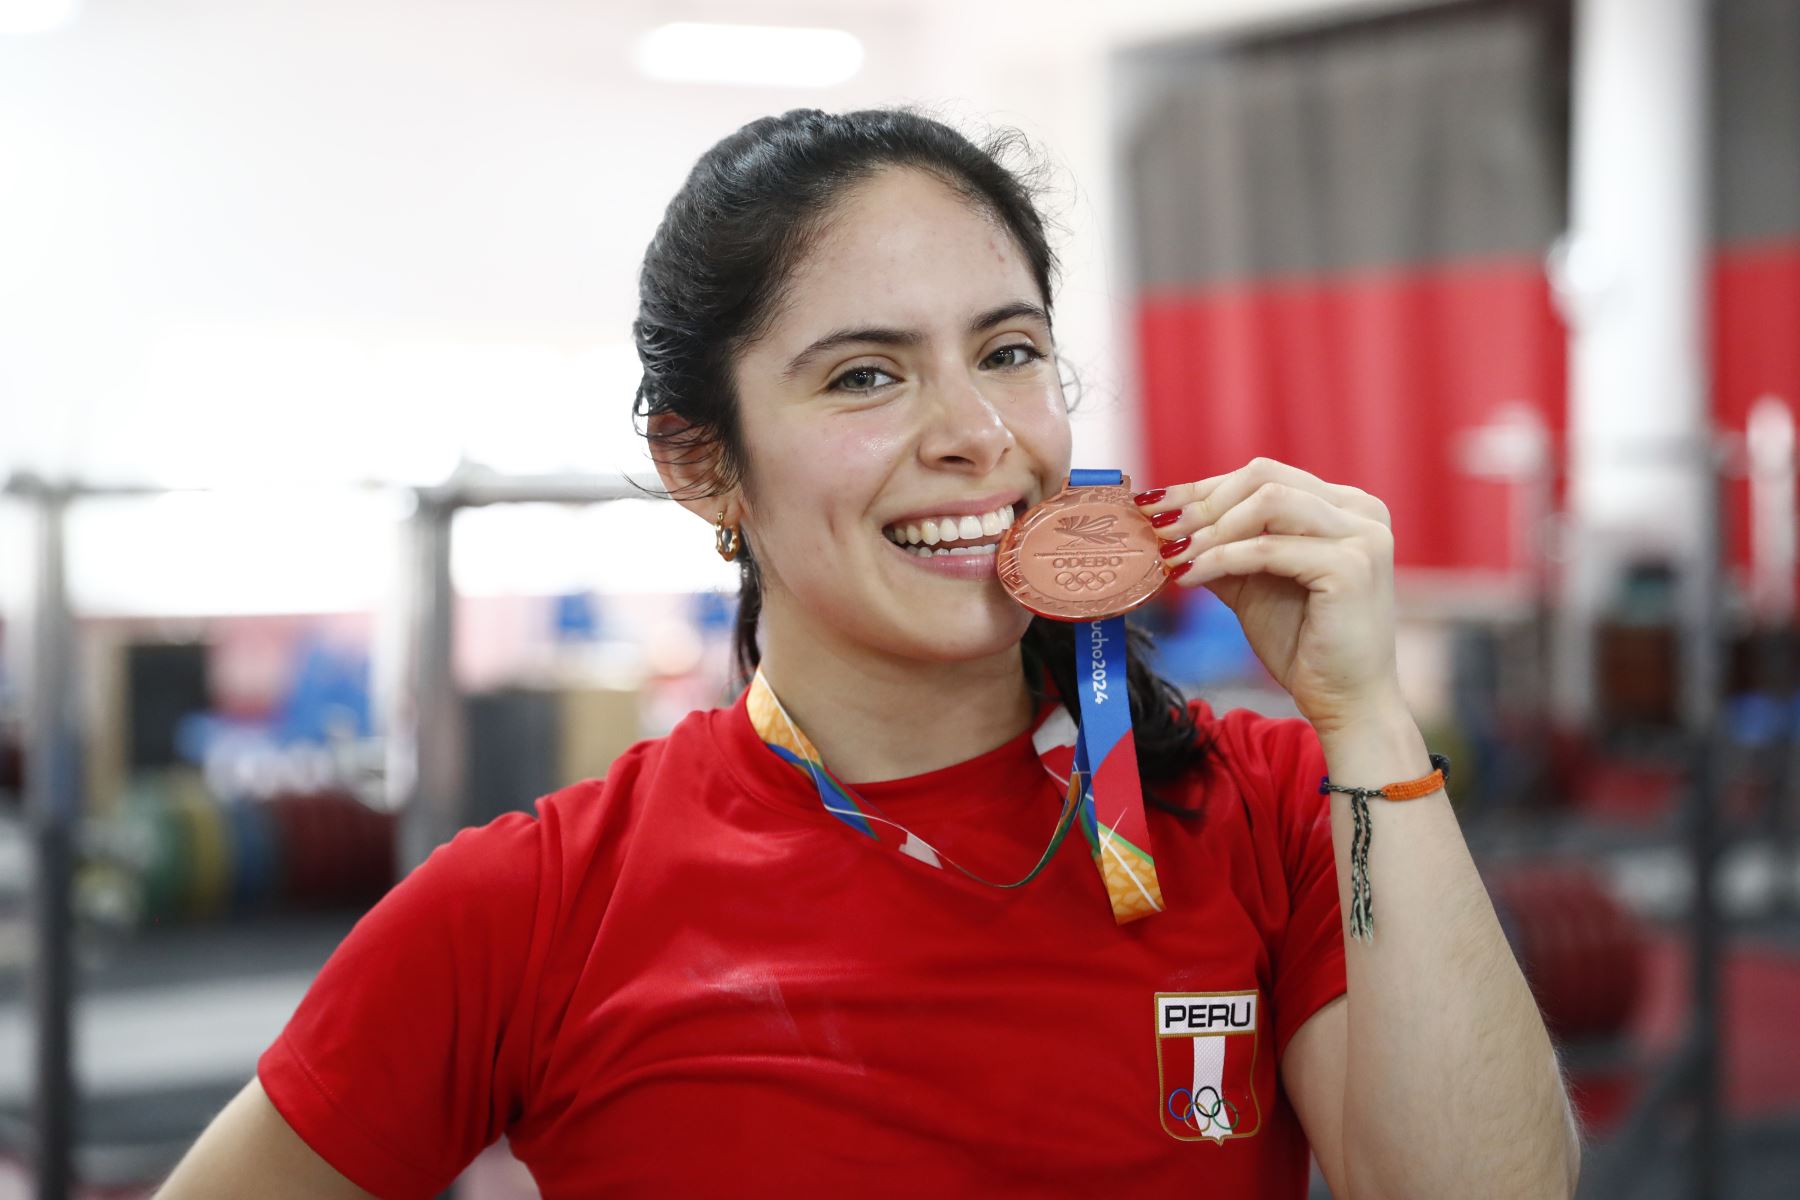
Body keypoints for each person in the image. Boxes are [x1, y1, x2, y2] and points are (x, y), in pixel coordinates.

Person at [157, 108, 1580, 1199]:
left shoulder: (1268, 808)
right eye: (866, 374)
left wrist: (1366, 717)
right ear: (704, 464)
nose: (979, 433)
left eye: (1009, 350)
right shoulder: (530, 908)